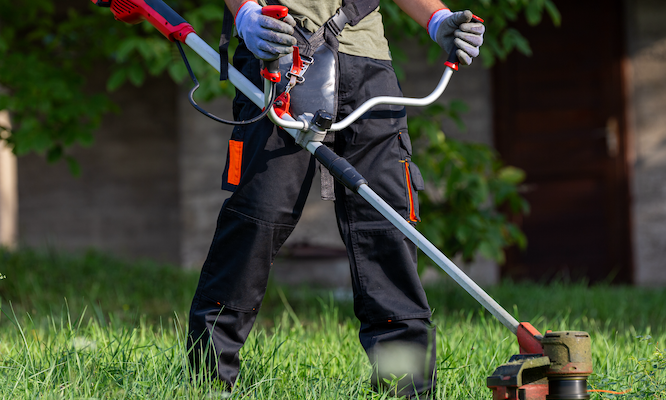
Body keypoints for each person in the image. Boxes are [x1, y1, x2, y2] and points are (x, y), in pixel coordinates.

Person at [187, 0, 484, 397]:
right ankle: (209, 383)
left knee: (387, 227)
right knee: (259, 220)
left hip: (368, 63)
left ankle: (407, 389)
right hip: (279, 50)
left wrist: (438, 19)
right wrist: (245, 14)